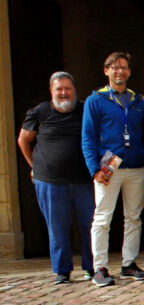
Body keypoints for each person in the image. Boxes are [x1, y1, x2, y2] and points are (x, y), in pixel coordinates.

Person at [81, 52, 144, 286]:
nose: (119, 71)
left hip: (136, 167)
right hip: (108, 168)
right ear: (106, 71)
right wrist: (94, 169)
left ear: (129, 72)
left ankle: (128, 263)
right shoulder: (96, 100)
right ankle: (100, 266)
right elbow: (88, 138)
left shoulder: (138, 101)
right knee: (102, 218)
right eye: (114, 67)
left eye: (124, 67)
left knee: (134, 217)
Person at [18, 71, 94, 284]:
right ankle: (62, 271)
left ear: (74, 90)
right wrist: (35, 166)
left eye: (67, 88)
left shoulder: (85, 110)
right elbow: (23, 140)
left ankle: (92, 267)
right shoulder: (40, 112)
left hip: (84, 180)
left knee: (91, 225)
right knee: (57, 227)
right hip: (50, 182)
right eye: (59, 89)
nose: (63, 93)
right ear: (52, 91)